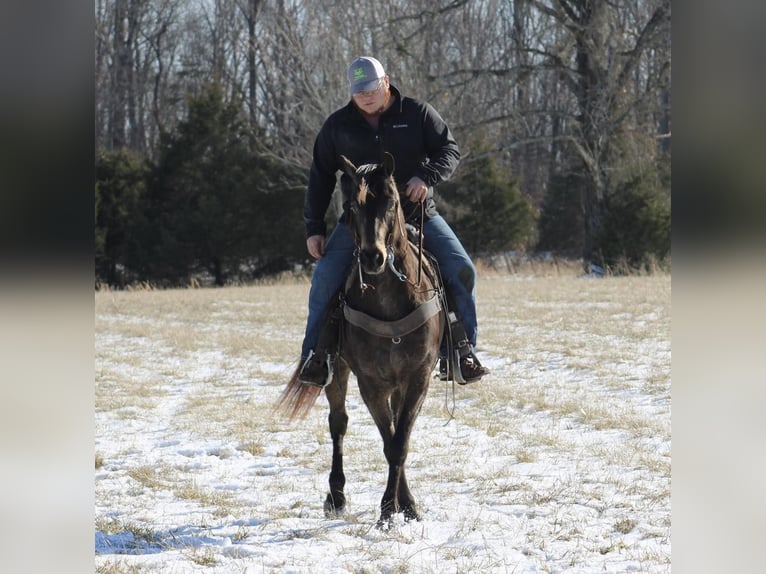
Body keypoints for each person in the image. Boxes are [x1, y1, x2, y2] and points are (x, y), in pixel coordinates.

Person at [297, 56, 489, 386]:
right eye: (359, 92)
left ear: (386, 82)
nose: (366, 97)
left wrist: (426, 177)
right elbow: (320, 176)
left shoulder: (417, 113)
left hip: (419, 215)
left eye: (371, 89)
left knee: (462, 269)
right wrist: (314, 227)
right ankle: (316, 357)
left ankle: (461, 351)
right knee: (325, 277)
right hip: (359, 224)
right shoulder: (337, 126)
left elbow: (449, 150)